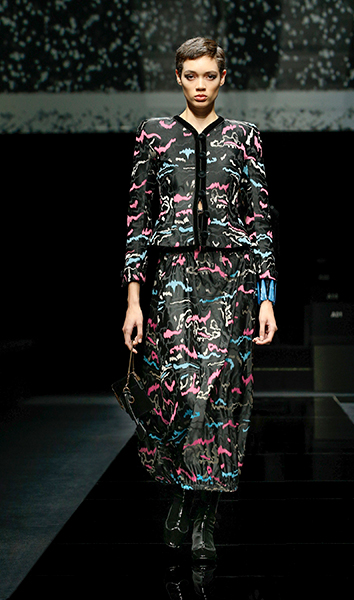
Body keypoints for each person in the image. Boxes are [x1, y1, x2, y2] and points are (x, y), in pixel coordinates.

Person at [122, 37, 278, 561]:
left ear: (223, 77)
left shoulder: (244, 137)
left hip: (231, 281)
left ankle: (205, 517)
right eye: (191, 75)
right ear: (178, 77)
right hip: (171, 279)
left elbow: (260, 220)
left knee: (219, 396)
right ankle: (179, 497)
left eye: (210, 75)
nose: (201, 85)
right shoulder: (154, 134)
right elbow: (138, 219)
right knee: (177, 394)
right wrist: (133, 300)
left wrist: (267, 297)